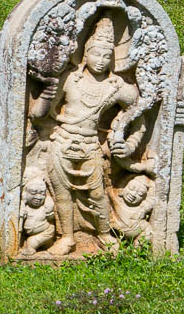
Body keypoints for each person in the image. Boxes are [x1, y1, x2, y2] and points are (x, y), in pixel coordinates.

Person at [30, 16, 144, 256]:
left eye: (106, 56)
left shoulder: (116, 87)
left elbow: (139, 115)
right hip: (62, 143)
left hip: (90, 145)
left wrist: (129, 142)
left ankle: (103, 234)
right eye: (96, 54)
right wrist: (48, 92)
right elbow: (37, 113)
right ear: (85, 53)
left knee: (97, 194)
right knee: (62, 196)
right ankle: (67, 238)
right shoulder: (71, 78)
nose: (101, 61)